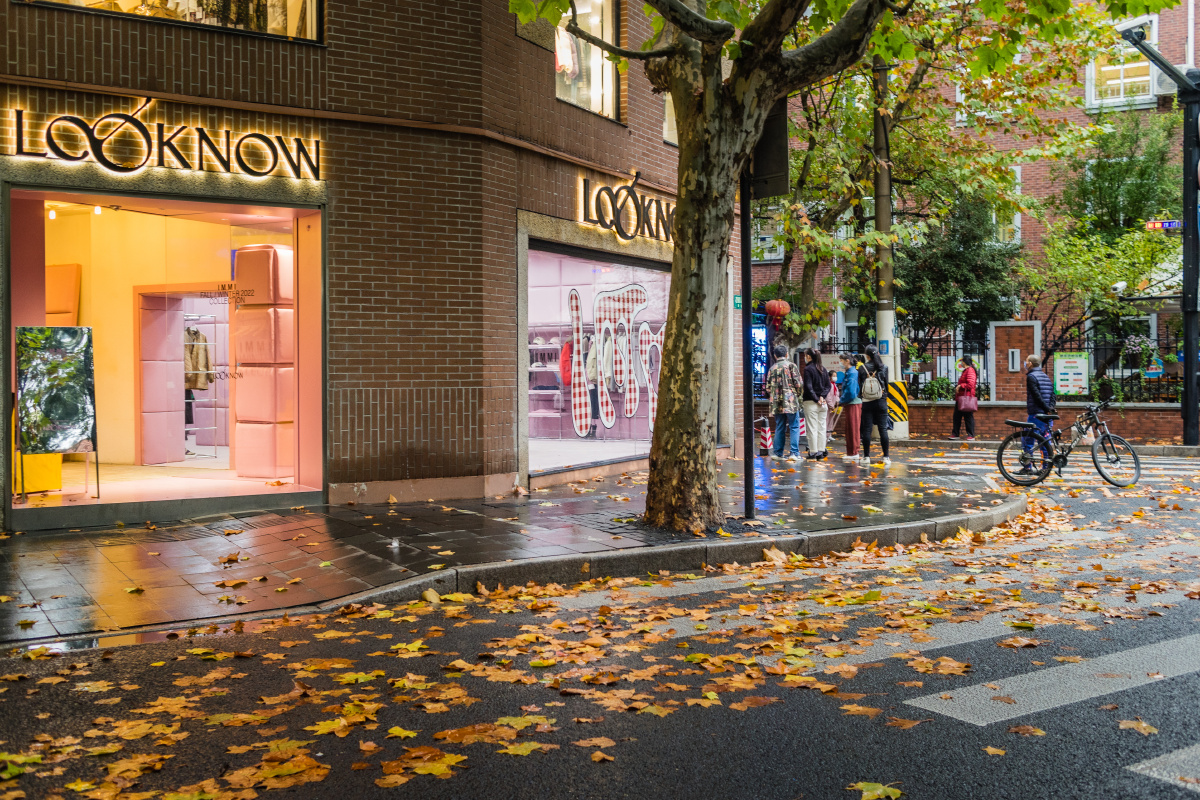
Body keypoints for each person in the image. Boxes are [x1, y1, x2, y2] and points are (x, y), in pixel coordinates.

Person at [764, 343, 803, 461]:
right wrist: (797, 395)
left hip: (776, 402)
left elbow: (767, 388)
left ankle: (778, 453)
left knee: (780, 426)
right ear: (786, 354)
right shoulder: (791, 366)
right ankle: (794, 453)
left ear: (775, 356)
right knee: (794, 426)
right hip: (790, 401)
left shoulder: (772, 368)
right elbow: (799, 384)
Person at [858, 344, 891, 466]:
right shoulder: (884, 367)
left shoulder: (862, 368)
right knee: (883, 429)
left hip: (867, 402)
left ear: (867, 356)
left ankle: (866, 457)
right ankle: (886, 457)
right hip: (881, 401)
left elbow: (860, 386)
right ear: (877, 354)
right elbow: (886, 385)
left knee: (867, 429)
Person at [1022, 354, 1056, 469]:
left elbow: (1036, 396)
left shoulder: (1031, 377)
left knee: (1027, 440)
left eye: (1027, 361)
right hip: (1047, 416)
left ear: (1030, 364)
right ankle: (1046, 468)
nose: (1025, 363)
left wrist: (1045, 408)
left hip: (1036, 415)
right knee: (1045, 441)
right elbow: (1053, 394)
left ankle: (1028, 467)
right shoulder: (1046, 376)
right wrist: (1050, 408)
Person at [801, 348, 831, 460]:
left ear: (808, 356)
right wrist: (822, 397)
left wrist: (816, 398)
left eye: (805, 355)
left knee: (812, 428)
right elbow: (828, 386)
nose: (805, 357)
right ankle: (821, 451)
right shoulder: (823, 369)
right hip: (823, 404)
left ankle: (813, 451)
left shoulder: (808, 369)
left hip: (811, 403)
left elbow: (808, 387)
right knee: (822, 427)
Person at [838, 353, 862, 459]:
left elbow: (851, 392)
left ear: (847, 361)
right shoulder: (850, 372)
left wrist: (841, 400)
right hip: (851, 403)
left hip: (853, 403)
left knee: (853, 428)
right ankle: (851, 452)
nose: (840, 363)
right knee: (850, 428)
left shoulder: (852, 373)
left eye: (841, 360)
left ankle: (854, 452)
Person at [950, 354, 978, 441]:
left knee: (968, 417)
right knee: (957, 416)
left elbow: (970, 384)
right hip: (961, 398)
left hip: (966, 398)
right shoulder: (966, 370)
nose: (961, 363)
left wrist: (960, 386)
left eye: (962, 361)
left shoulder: (970, 370)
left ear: (964, 362)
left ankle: (971, 435)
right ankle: (955, 434)